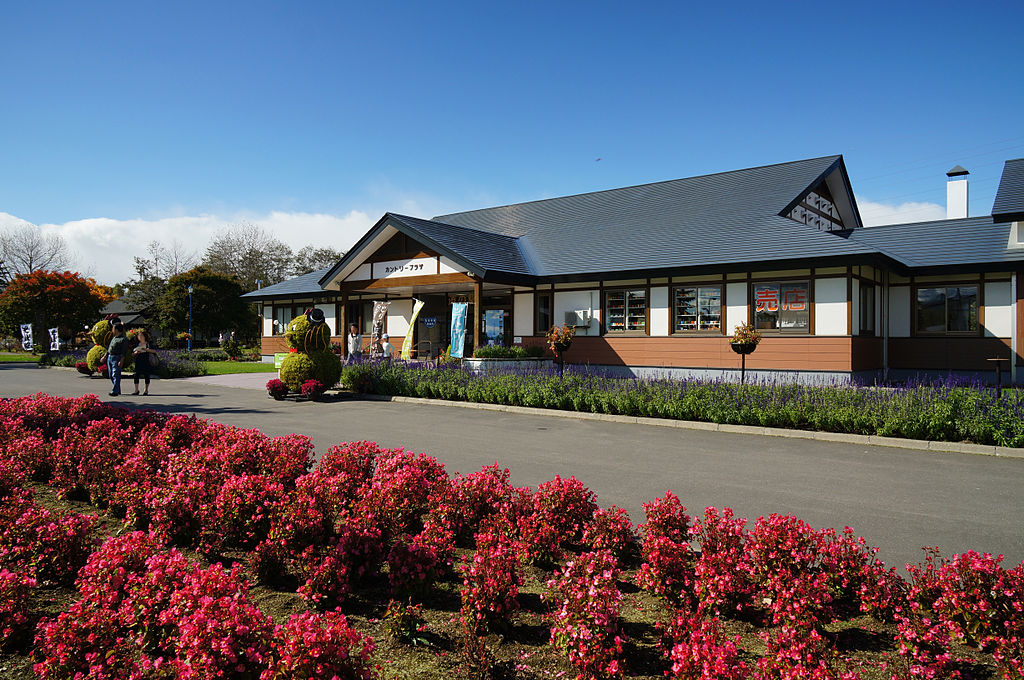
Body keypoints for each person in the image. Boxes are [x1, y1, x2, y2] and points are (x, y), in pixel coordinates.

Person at [131, 329, 157, 395]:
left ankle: (146, 390)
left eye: (141, 335)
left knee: (146, 375)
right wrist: (136, 352)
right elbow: (132, 353)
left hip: (146, 360)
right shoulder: (136, 344)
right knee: (136, 374)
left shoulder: (148, 344)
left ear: (144, 336)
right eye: (139, 336)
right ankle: (136, 390)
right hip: (138, 360)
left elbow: (154, 351)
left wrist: (146, 350)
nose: (140, 337)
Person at [105, 323, 128, 396]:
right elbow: (109, 348)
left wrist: (121, 360)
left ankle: (115, 390)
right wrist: (105, 356)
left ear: (117, 330)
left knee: (115, 374)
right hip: (110, 357)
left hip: (117, 357)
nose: (112, 330)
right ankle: (118, 389)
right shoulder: (114, 338)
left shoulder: (123, 339)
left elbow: (124, 351)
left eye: (113, 328)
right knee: (111, 375)